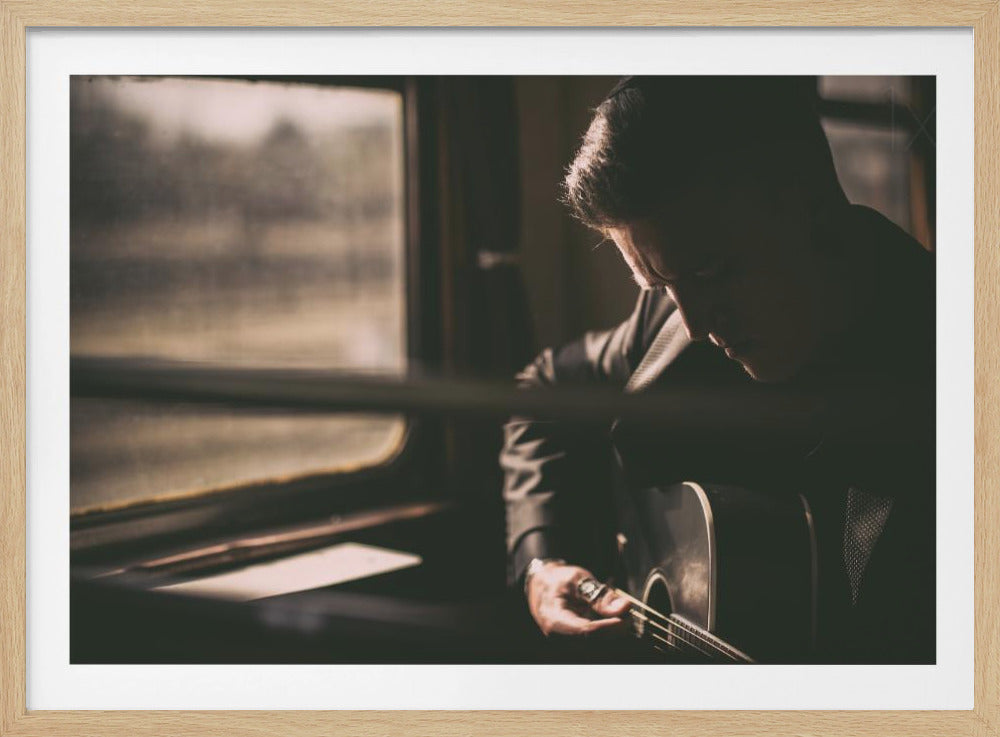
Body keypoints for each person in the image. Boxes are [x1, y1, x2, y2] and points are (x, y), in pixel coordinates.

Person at [500, 76, 935, 663]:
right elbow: (545, 391)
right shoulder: (670, 319)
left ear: (808, 207)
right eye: (659, 284)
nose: (695, 324)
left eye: (711, 273)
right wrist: (542, 565)